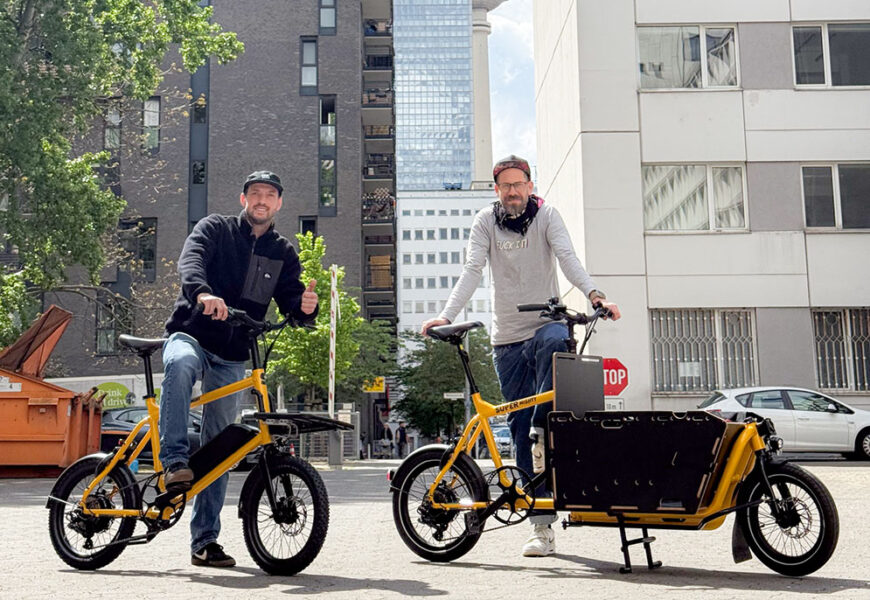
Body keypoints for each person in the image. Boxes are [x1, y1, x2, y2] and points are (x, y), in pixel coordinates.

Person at [421, 155, 621, 558]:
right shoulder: (485, 222)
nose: (512, 192)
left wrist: (595, 295)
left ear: (530, 186)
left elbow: (567, 259)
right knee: (517, 432)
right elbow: (472, 270)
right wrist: (447, 314)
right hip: (506, 340)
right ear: (497, 190)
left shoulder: (548, 217)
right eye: (505, 186)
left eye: (519, 184)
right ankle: (541, 529)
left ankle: (539, 423)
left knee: (553, 338)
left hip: (542, 323)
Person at [159, 170, 318, 568]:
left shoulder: (282, 251)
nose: (261, 200)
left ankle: (205, 541)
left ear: (279, 203)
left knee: (222, 446)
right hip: (192, 334)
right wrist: (204, 293)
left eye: (269, 195)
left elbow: (290, 299)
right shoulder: (216, 228)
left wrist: (304, 308)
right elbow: (191, 260)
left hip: (233, 353)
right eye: (255, 193)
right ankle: (174, 462)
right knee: (179, 366)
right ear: (243, 198)